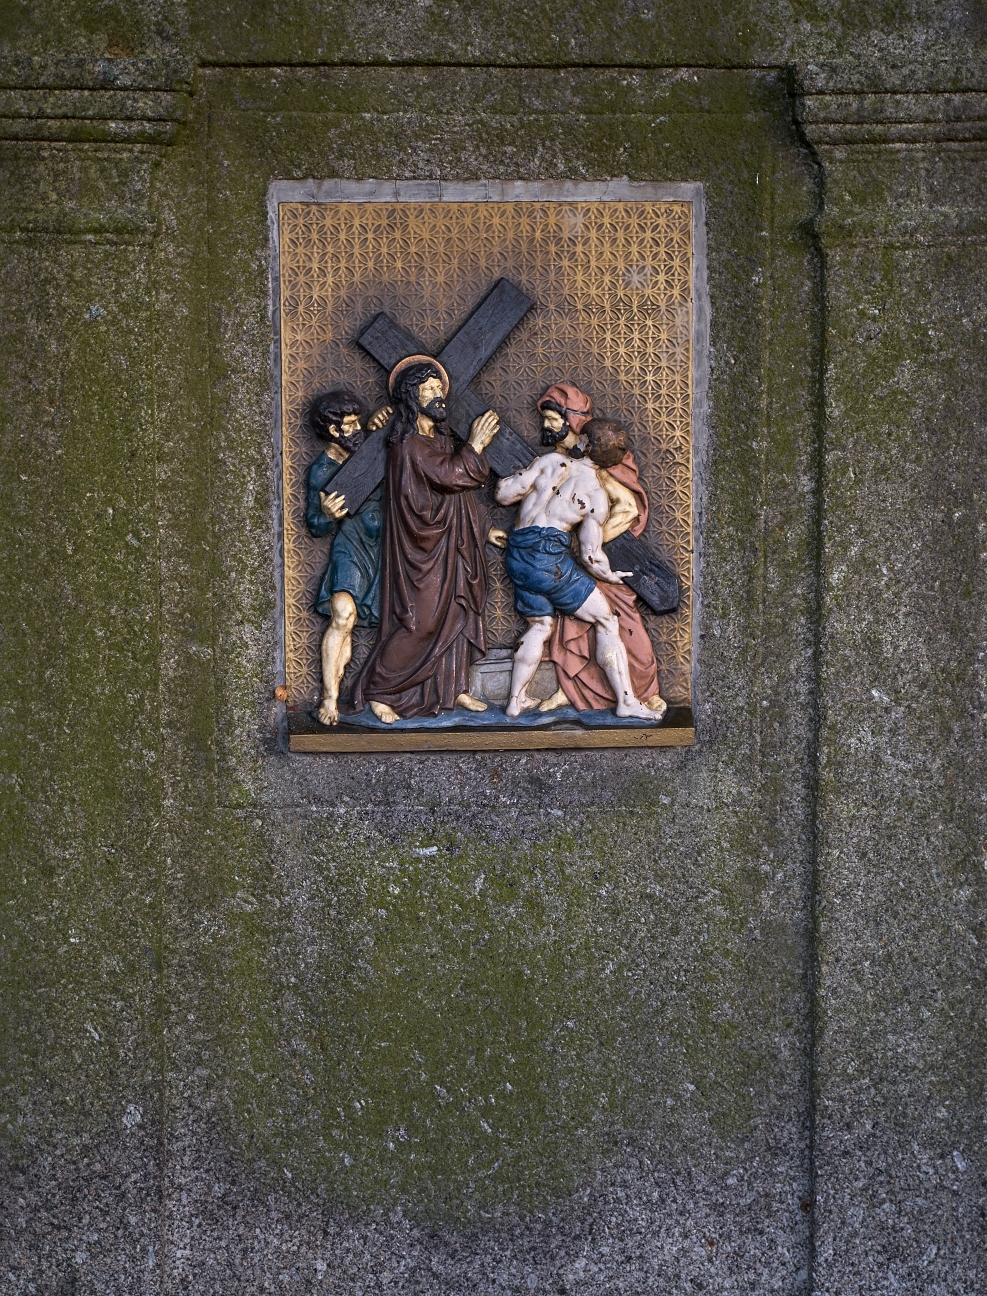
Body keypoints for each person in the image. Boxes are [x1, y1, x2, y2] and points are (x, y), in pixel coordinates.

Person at [351, 356, 501, 722]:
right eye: (429, 390)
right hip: (422, 549)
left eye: (439, 388)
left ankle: (451, 689)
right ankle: (378, 690)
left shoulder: (440, 439)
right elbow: (448, 476)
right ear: (411, 398)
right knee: (421, 622)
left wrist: (484, 527)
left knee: (456, 613)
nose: (438, 395)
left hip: (452, 544)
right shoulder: (410, 445)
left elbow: (459, 495)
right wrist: (475, 446)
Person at [494, 434, 660, 722]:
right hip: (550, 562)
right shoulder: (595, 494)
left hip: (518, 556)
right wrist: (611, 576)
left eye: (582, 436)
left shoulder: (551, 461)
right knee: (607, 620)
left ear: (586, 444)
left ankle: (515, 701)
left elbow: (504, 495)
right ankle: (626, 702)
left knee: (540, 624)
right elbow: (590, 555)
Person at [542, 418, 666, 719]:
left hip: (604, 558)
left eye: (553, 419)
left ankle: (644, 691)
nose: (546, 425)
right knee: (573, 621)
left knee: (623, 623)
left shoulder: (599, 472)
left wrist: (590, 541)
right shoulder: (565, 463)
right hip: (580, 560)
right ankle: (573, 688)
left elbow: (629, 508)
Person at [305, 387, 387, 726]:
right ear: (332, 430)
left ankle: (383, 694)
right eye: (350, 425)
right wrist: (326, 513)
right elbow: (315, 525)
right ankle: (330, 697)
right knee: (342, 614)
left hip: (385, 547)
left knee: (395, 619)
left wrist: (382, 426)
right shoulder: (322, 470)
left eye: (357, 422)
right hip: (351, 546)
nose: (357, 429)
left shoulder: (369, 447)